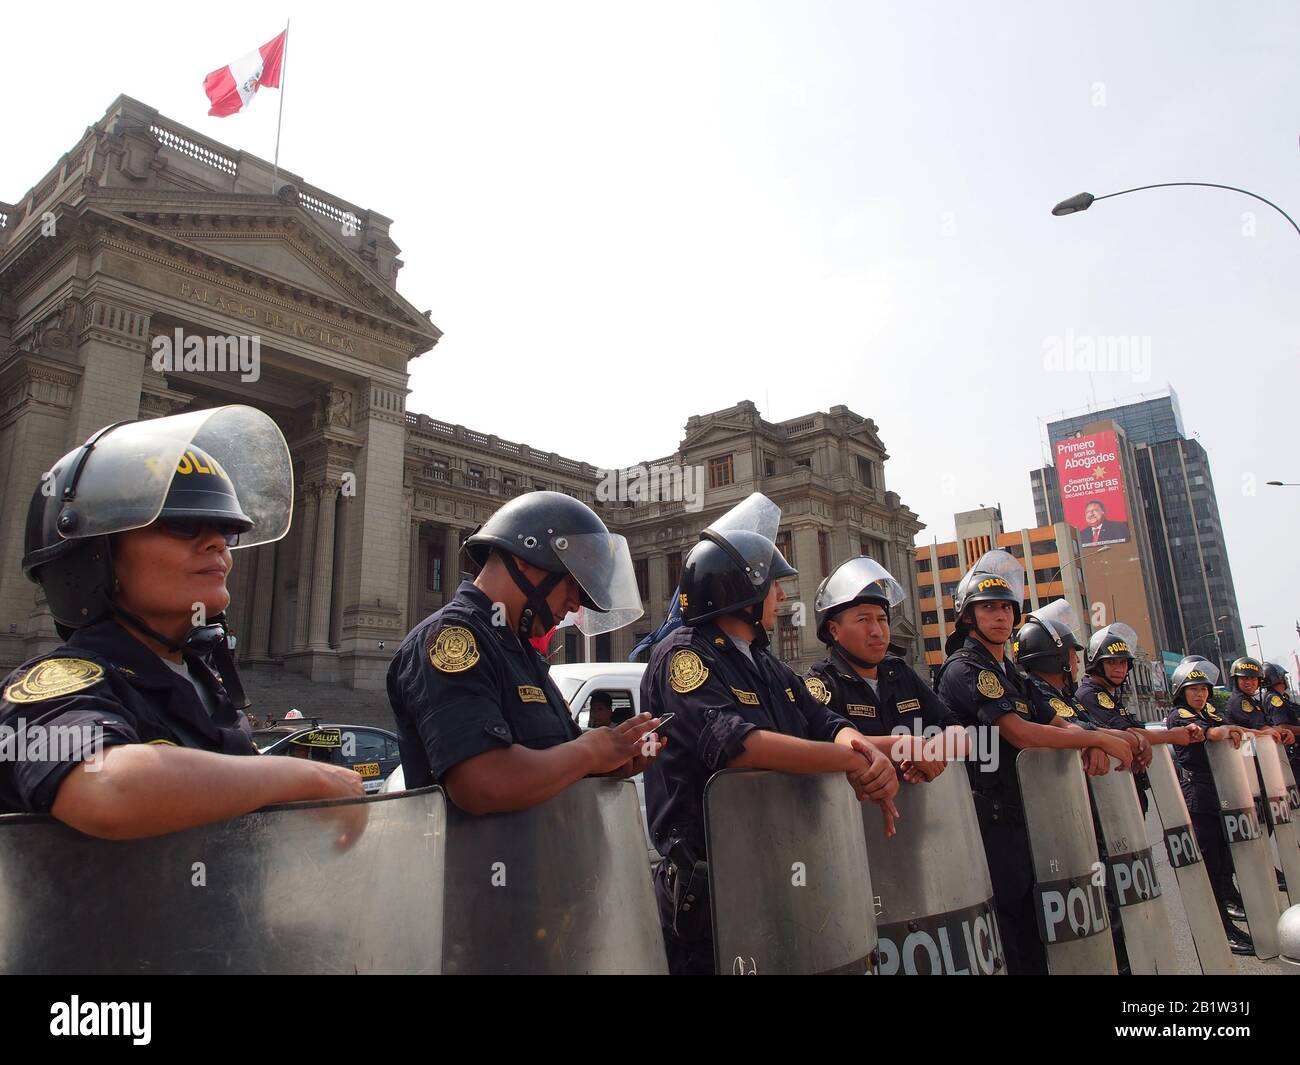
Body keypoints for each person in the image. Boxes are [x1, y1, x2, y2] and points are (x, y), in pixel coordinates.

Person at [0, 407, 365, 838]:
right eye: (182, 525)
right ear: (92, 555)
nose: (217, 545)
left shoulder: (204, 683)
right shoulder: (53, 687)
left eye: (226, 531)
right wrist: (306, 777)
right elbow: (108, 788)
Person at [642, 493, 898, 974]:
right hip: (713, 890)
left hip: (781, 871)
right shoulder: (684, 656)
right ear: (742, 591)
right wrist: (860, 761)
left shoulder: (764, 662)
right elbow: (736, 747)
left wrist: (872, 748)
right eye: (773, 587)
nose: (781, 599)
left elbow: (824, 722)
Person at [387, 491, 662, 814]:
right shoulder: (452, 639)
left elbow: (550, 764)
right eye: (572, 584)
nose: (575, 604)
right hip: (479, 863)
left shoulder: (518, 651)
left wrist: (610, 761)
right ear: (524, 560)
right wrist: (589, 752)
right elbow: (482, 784)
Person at [937, 550, 1131, 975]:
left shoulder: (1013, 672)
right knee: (1013, 929)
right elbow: (1019, 733)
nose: (1001, 617)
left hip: (1030, 812)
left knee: (1040, 921)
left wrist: (1092, 740)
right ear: (969, 617)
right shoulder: (966, 668)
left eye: (1006, 608)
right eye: (988, 608)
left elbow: (1057, 721)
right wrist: (1096, 737)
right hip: (991, 817)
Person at [805, 555, 965, 782]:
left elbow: (960, 733)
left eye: (881, 619)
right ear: (834, 630)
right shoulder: (822, 684)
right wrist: (904, 747)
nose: (877, 631)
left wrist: (929, 751)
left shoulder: (900, 673)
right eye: (863, 620)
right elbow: (825, 746)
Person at [1164, 658, 1253, 954]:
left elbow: (1222, 725)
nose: (1200, 694)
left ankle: (1226, 923)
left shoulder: (1209, 710)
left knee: (1223, 863)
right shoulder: (1179, 714)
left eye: (1203, 689)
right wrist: (1224, 731)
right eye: (1194, 690)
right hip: (1198, 796)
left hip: (1219, 793)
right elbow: (1209, 733)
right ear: (1181, 692)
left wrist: (1229, 729)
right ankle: (1217, 932)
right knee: (1208, 867)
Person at [1075, 624, 1155, 813]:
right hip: (1109, 792)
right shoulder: (1090, 694)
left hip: (1126, 786)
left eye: (1123, 662)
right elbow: (1127, 733)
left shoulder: (1111, 695)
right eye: (1111, 662)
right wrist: (1176, 735)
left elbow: (1135, 729)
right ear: (1096, 663)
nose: (1119, 668)